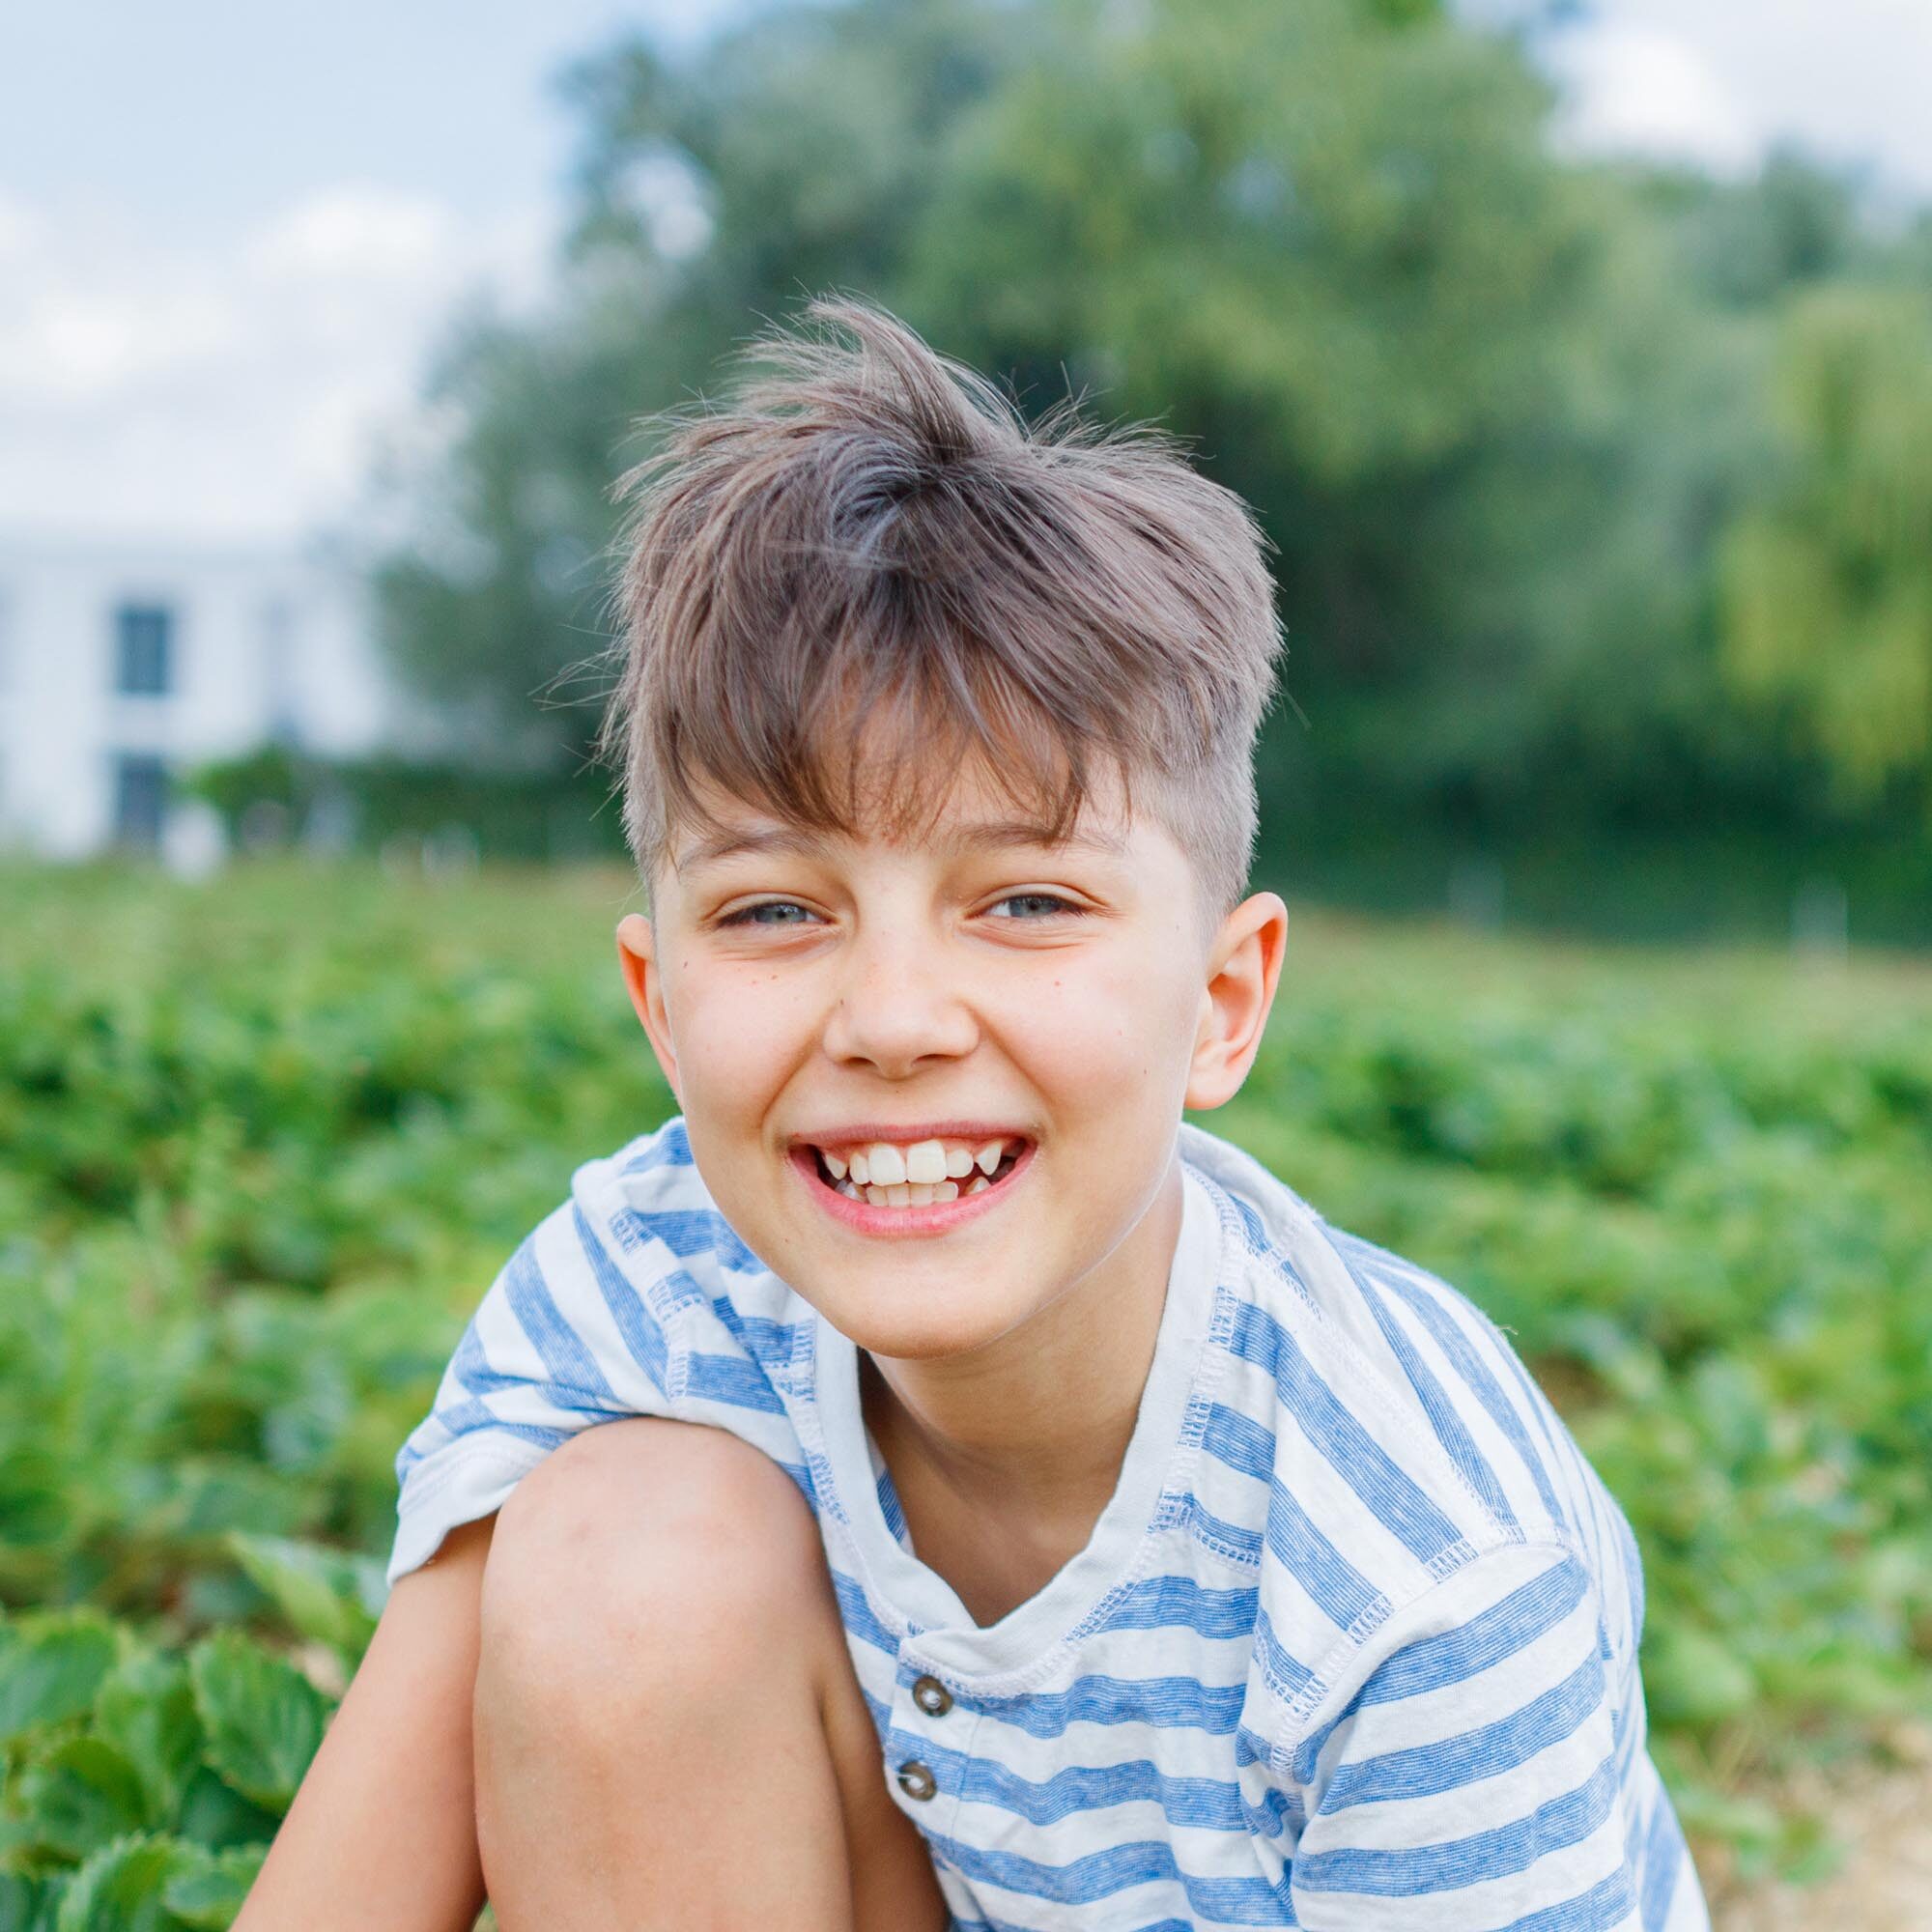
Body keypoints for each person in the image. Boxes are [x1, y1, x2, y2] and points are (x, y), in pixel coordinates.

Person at [237, 296, 1708, 1932]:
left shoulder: (1420, 1566)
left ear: (1223, 1000)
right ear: (659, 1008)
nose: (892, 1023)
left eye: (1024, 902)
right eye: (777, 913)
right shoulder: (646, 1284)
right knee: (618, 1555)